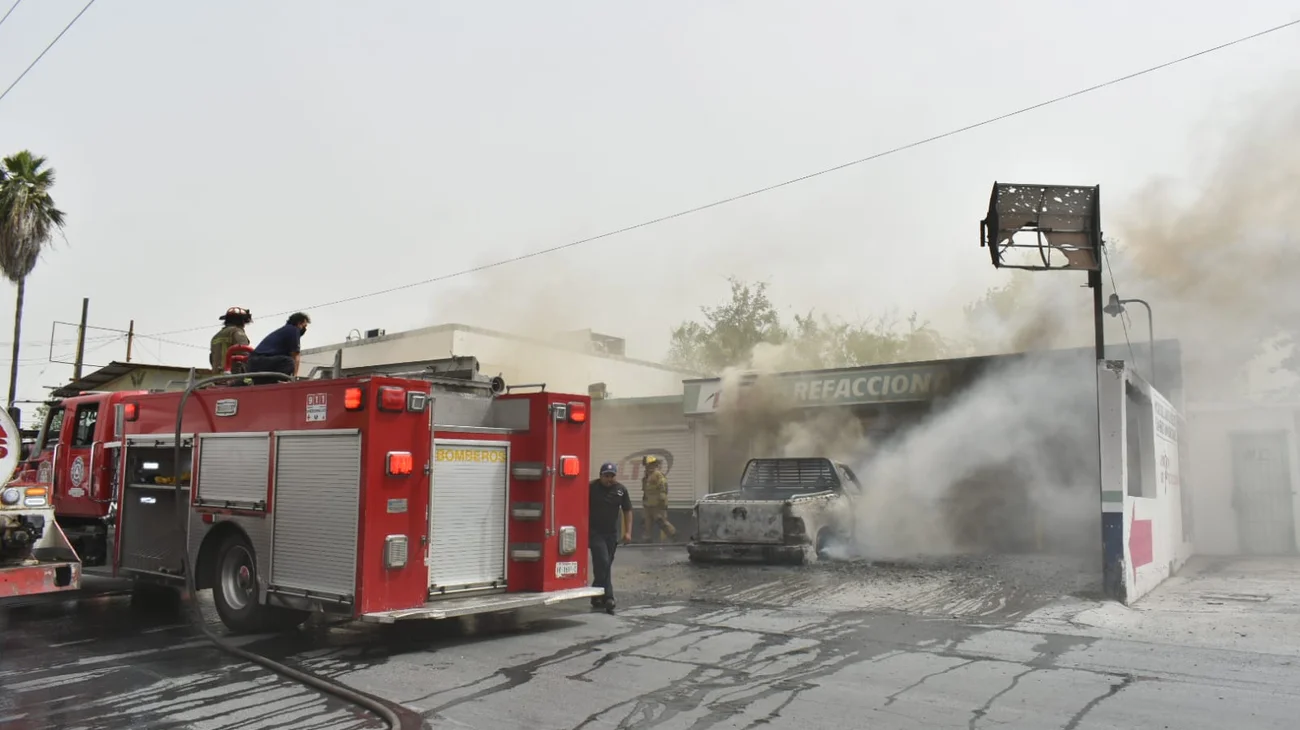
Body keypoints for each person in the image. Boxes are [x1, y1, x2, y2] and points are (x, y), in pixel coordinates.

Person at [589, 462, 632, 612]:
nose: (609, 479)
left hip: (611, 534)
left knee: (604, 566)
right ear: (600, 476)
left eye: (612, 476)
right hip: (595, 533)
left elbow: (627, 510)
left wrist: (628, 532)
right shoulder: (591, 488)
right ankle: (609, 598)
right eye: (606, 476)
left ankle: (596, 595)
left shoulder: (621, 490)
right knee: (603, 561)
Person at [247, 312, 311, 379]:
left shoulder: (285, 330)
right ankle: (281, 381)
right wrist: (295, 377)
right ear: (299, 323)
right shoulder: (293, 329)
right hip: (260, 361)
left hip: (254, 363)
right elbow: (296, 356)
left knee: (286, 361)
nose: (304, 329)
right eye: (304, 326)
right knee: (288, 362)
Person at [640, 455, 677, 543]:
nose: (648, 467)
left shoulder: (658, 475)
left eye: (650, 464)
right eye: (647, 465)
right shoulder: (646, 476)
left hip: (657, 504)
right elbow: (645, 490)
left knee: (661, 521)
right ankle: (647, 538)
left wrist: (662, 501)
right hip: (648, 504)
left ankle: (673, 534)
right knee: (647, 522)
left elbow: (663, 488)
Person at [209, 307, 252, 372]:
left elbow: (212, 358)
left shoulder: (215, 336)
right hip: (233, 374)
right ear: (242, 321)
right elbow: (244, 353)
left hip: (216, 374)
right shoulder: (237, 332)